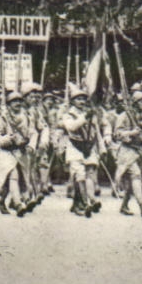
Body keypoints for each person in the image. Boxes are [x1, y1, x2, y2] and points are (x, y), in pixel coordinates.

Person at [57, 89, 101, 217]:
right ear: (72, 101)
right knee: (79, 175)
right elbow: (71, 127)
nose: (81, 101)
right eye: (78, 99)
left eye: (83, 99)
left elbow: (95, 131)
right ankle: (84, 203)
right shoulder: (68, 114)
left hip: (88, 146)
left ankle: (81, 203)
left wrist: (101, 148)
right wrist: (84, 117)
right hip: (74, 146)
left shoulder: (89, 113)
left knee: (89, 175)